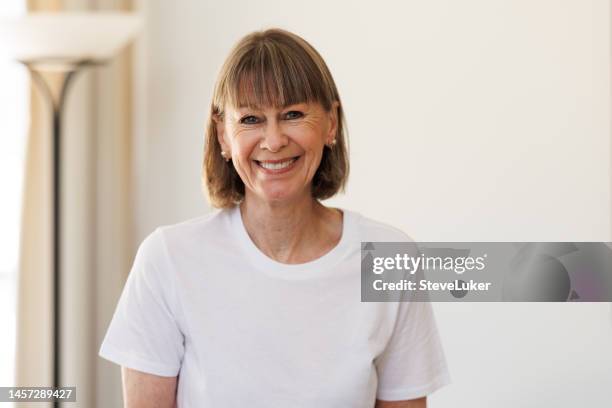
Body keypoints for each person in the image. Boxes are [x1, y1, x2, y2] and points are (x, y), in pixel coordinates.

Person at [99, 28, 450, 408]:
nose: (274, 140)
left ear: (331, 123)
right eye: (250, 119)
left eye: (293, 114)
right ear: (223, 135)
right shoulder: (168, 259)